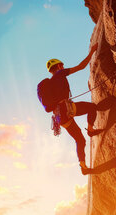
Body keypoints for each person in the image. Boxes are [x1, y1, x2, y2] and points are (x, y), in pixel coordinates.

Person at [37, 43, 102, 175]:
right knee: (91, 107)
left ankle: (83, 167)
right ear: (59, 66)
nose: (63, 67)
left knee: (79, 140)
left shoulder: (49, 83)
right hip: (67, 109)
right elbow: (81, 66)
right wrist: (92, 52)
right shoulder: (60, 73)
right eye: (62, 65)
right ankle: (90, 130)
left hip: (59, 116)